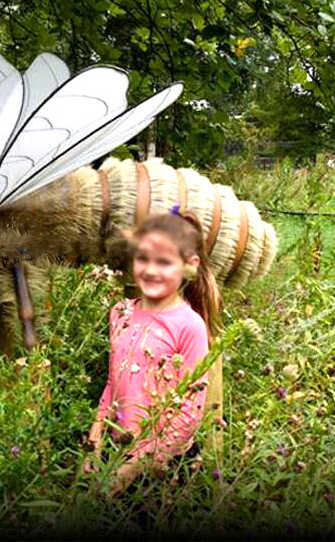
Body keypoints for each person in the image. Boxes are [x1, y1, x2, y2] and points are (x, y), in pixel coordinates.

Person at [85, 206, 221, 496]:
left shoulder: (189, 326)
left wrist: (134, 468)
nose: (150, 270)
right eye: (143, 258)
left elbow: (189, 413)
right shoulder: (119, 313)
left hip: (163, 464)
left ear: (189, 265)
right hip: (117, 447)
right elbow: (113, 382)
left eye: (164, 262)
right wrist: (94, 440)